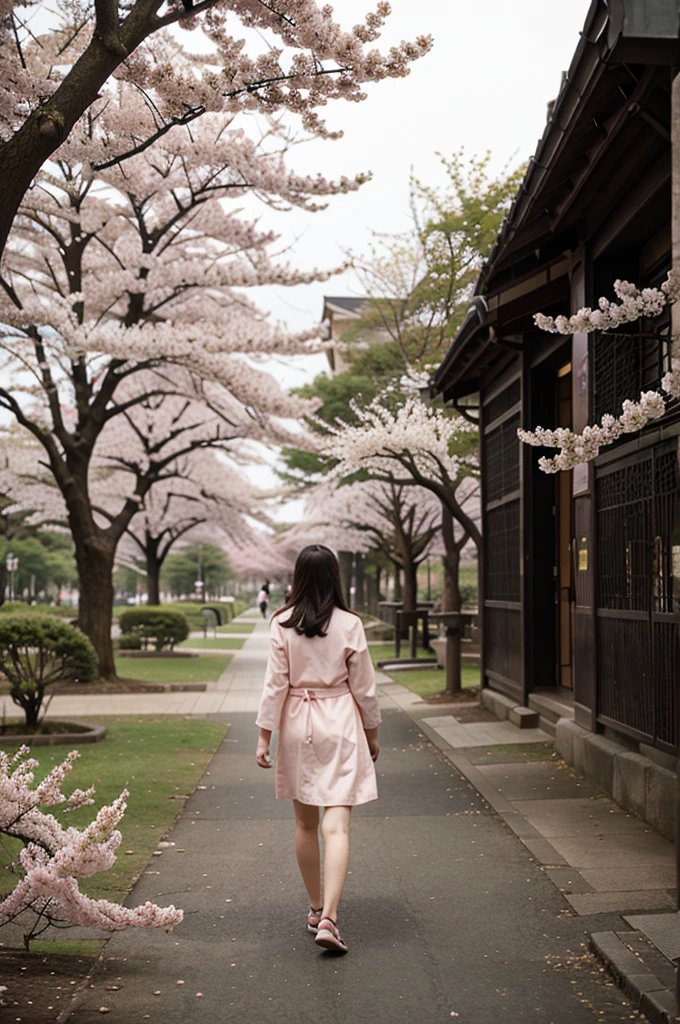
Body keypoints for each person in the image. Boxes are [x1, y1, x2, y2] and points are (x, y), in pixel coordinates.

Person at [255, 544, 381, 954]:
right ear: (334, 577)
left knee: (305, 825)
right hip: (341, 721)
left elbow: (275, 684)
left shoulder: (281, 623)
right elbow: (364, 687)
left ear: (298, 576)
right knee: (337, 826)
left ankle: (314, 908)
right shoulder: (349, 624)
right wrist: (373, 733)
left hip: (297, 723)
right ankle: (330, 917)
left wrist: (264, 737)